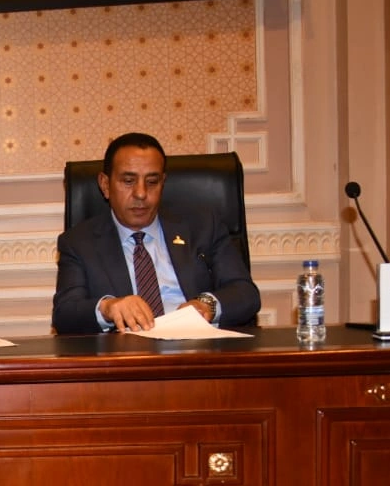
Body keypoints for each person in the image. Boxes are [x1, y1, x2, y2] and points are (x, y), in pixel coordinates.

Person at [52, 132, 260, 335]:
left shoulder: (203, 226)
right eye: (128, 181)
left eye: (152, 182)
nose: (141, 193)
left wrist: (206, 305)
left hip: (197, 349)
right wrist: (107, 307)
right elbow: (65, 314)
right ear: (105, 185)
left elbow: (245, 293)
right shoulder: (79, 243)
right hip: (126, 352)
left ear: (163, 182)